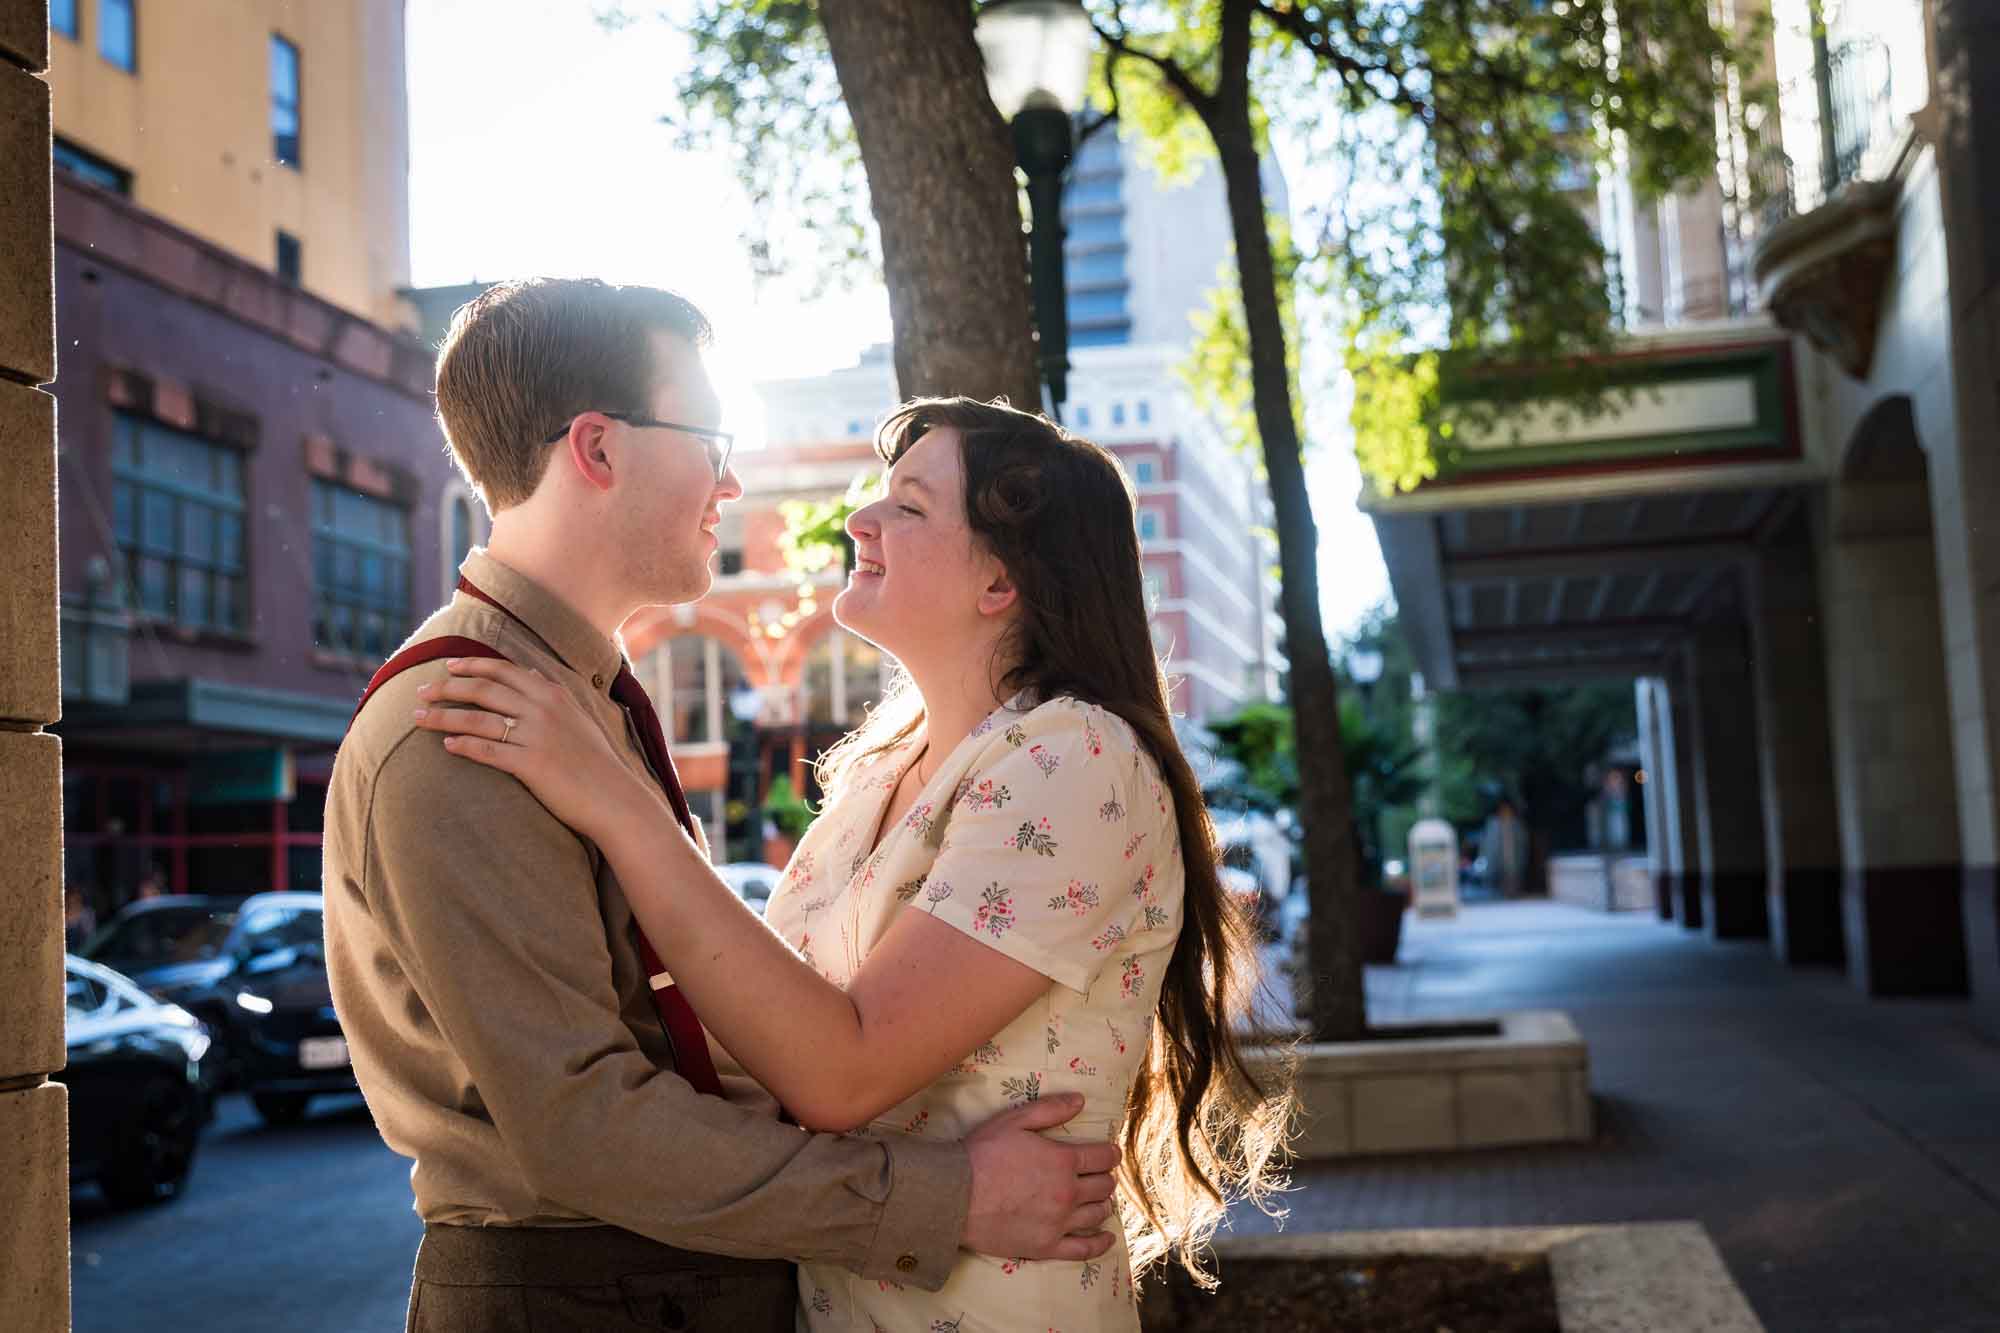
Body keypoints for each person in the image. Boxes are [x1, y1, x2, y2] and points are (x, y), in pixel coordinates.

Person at [323, 281, 1121, 1333]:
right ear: (598, 450)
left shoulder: (572, 703)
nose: (732, 479)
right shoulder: (464, 724)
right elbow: (582, 1121)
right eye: (709, 439)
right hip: (585, 1294)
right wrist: (942, 1194)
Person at [411, 395, 1292, 1330]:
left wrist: (613, 799)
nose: (858, 520)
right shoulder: (878, 768)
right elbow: (751, 1032)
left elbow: (841, 1071)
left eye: (907, 506)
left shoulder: (1075, 758)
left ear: (1001, 581)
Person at [64, 884, 97, 952]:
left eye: (75, 903)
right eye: (67, 904)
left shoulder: (84, 927)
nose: (70, 908)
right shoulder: (57, 928)